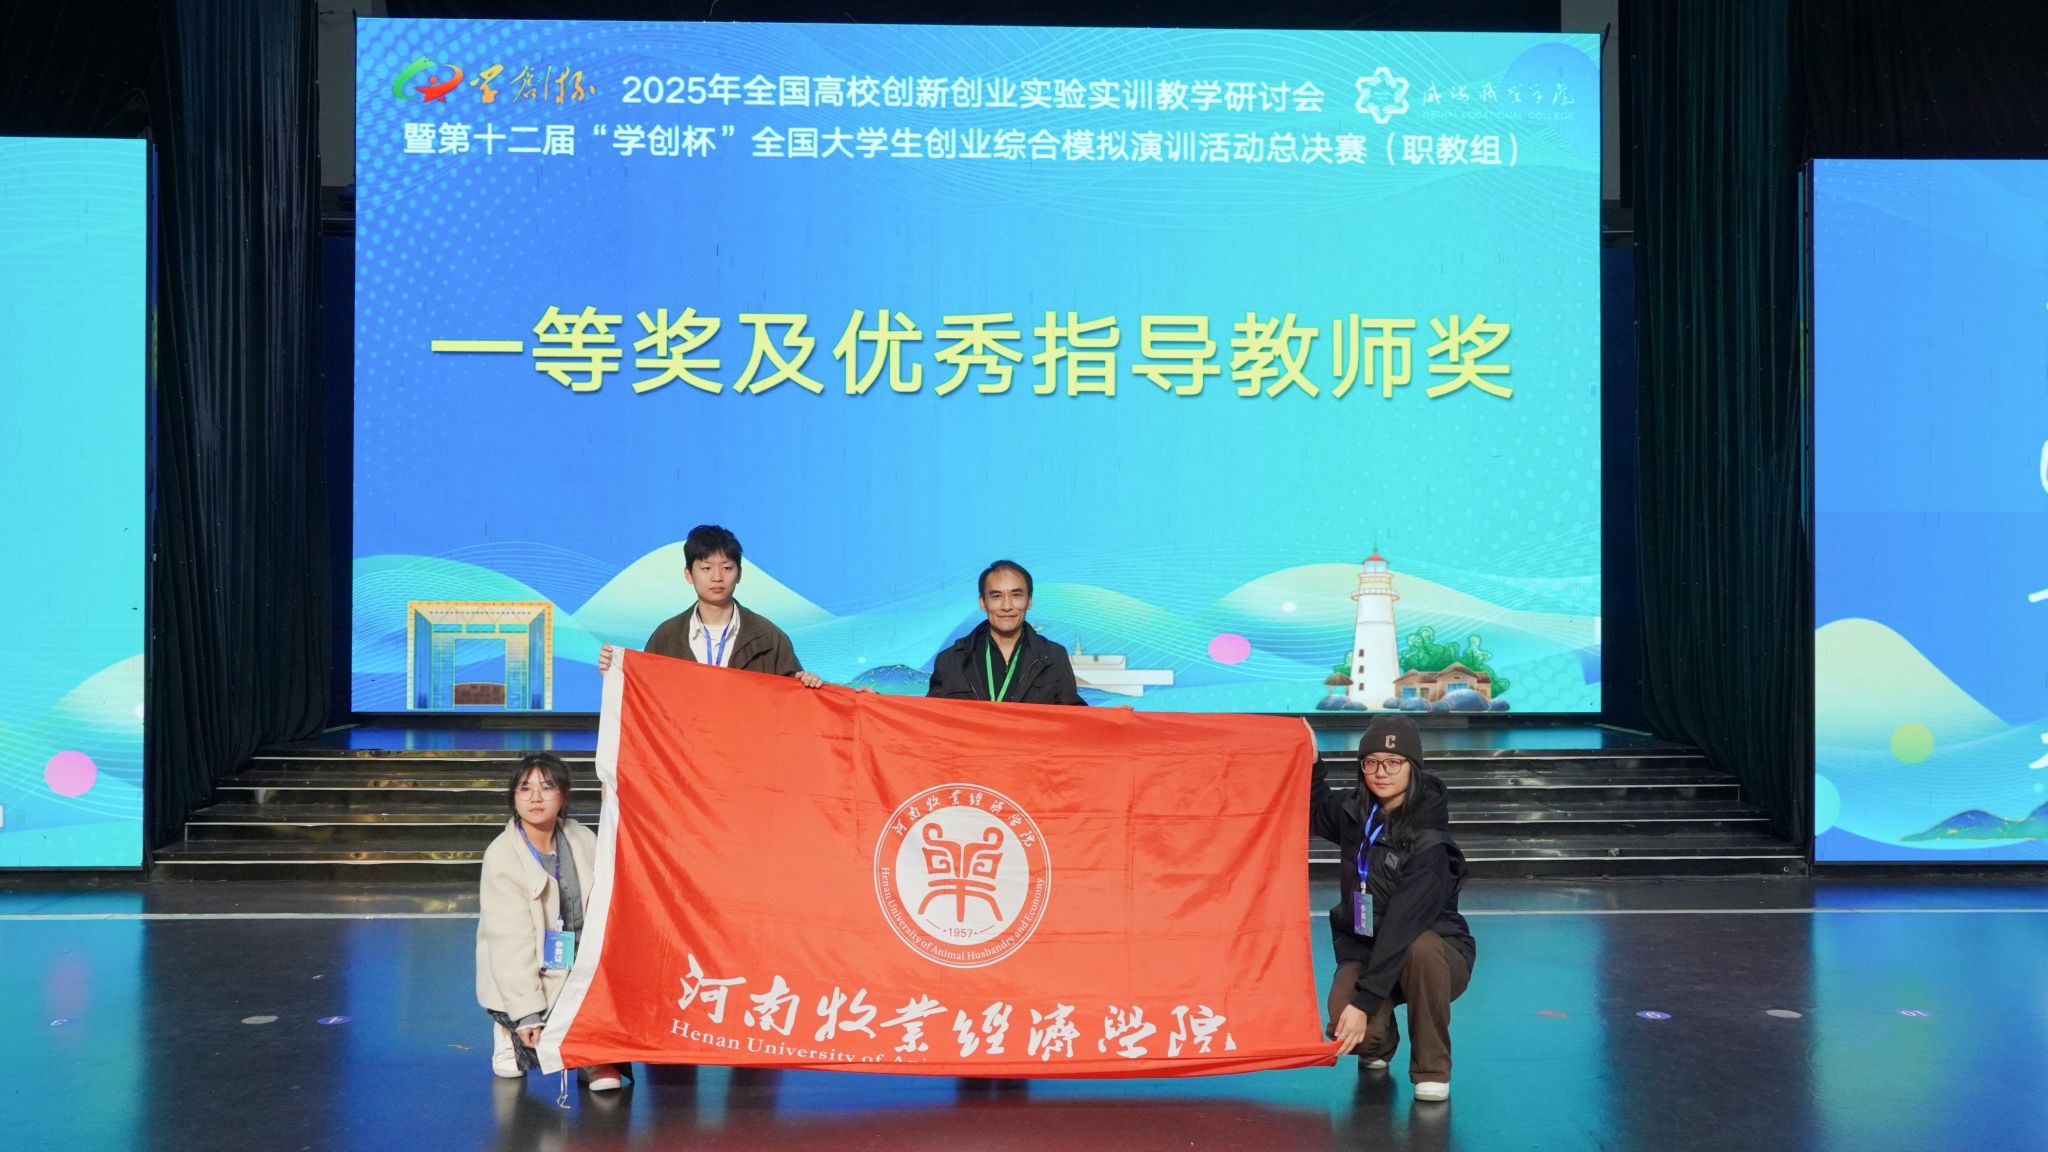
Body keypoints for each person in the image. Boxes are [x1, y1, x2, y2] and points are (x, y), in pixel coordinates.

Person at [1309, 714, 1475, 1102]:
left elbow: (1401, 928)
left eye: (1393, 762)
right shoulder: (1357, 813)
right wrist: (1313, 761)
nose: (1381, 772)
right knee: (1352, 1035)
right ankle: (1382, 1039)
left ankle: (1431, 1068)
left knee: (1420, 948)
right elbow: (1316, 807)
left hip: (1435, 957)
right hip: (1369, 949)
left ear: (1413, 766)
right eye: (1371, 762)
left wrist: (1364, 1003)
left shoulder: (1430, 842)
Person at [476, 752, 627, 1091]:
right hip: (526, 965)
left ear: (563, 795)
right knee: (526, 1042)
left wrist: (615, 804)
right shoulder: (501, 856)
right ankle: (507, 1030)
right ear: (513, 798)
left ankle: (591, 1052)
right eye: (524, 788)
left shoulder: (581, 837)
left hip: (579, 962)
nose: (535, 797)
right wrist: (526, 1011)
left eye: (547, 787)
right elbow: (510, 943)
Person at [599, 524, 824, 687]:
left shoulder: (769, 638)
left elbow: (792, 703)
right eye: (706, 568)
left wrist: (808, 683)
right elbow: (645, 696)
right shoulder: (666, 637)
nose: (717, 577)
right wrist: (615, 671)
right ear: (689, 574)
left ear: (739, 574)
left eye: (727, 568)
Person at [926, 560, 1085, 705]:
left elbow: (1072, 718)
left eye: (1016, 595)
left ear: (1029, 600)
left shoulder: (1054, 657)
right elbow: (931, 718)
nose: (1007, 606)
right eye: (996, 596)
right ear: (983, 603)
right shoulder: (951, 660)